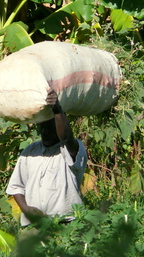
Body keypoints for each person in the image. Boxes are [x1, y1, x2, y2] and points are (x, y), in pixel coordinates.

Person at [6, 88, 88, 227]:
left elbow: (66, 137)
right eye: (41, 127)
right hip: (34, 225)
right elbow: (16, 186)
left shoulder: (71, 150)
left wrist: (57, 109)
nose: (45, 131)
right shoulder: (30, 151)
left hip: (66, 224)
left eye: (50, 127)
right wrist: (26, 209)